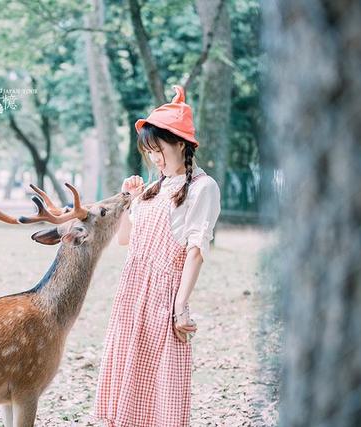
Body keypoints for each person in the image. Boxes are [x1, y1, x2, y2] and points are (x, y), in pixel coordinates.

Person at [94, 85, 221, 426]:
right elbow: (125, 241)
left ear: (181, 143)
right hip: (131, 292)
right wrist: (128, 198)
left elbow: (195, 252)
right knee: (128, 379)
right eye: (149, 152)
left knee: (160, 386)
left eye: (159, 149)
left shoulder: (201, 188)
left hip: (164, 296)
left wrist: (180, 307)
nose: (154, 158)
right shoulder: (153, 188)